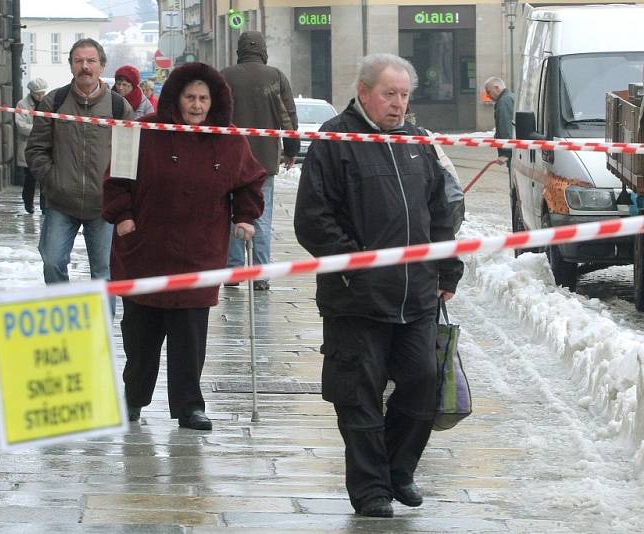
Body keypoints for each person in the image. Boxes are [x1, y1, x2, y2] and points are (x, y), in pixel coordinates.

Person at [293, 53, 464, 518]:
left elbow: (440, 213)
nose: (398, 104)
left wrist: (447, 268)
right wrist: (354, 262)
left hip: (416, 294)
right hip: (356, 297)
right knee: (360, 396)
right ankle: (371, 490)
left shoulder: (418, 142)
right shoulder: (335, 139)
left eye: (405, 95)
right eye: (390, 94)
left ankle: (397, 469)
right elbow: (312, 219)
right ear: (364, 91)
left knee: (422, 384)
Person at [102, 62, 266, 431]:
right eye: (190, 97)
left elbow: (250, 181)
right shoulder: (141, 131)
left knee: (189, 339)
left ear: (214, 102)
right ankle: (133, 399)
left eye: (203, 98)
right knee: (141, 338)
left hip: (199, 252)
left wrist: (244, 216)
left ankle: (189, 406)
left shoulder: (230, 139)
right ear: (176, 99)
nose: (196, 105)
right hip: (144, 252)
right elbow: (114, 179)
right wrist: (122, 216)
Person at [25, 38, 135, 295]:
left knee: (104, 273)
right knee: (52, 263)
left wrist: (119, 195)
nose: (85, 66)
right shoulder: (54, 102)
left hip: (104, 207)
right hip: (61, 203)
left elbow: (129, 158)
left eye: (91, 61)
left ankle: (101, 334)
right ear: (71, 65)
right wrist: (54, 179)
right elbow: (35, 150)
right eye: (79, 61)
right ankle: (66, 326)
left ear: (102, 65)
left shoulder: (119, 107)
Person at [221, 31, 299, 291]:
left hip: (231, 159)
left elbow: (217, 116)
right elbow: (287, 117)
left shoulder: (226, 76)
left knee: (233, 214)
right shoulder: (275, 77)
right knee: (261, 217)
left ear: (239, 50)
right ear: (263, 50)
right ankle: (260, 274)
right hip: (263, 162)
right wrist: (291, 149)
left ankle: (233, 271)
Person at [16, 77, 49, 214]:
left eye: (42, 93)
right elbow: (20, 125)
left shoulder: (48, 103)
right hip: (28, 145)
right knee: (30, 177)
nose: (40, 96)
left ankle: (44, 206)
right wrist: (38, 129)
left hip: (44, 146)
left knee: (44, 177)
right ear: (32, 92)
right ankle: (28, 201)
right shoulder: (22, 104)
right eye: (38, 94)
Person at [484, 77, 515, 168]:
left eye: (488, 92)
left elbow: (505, 127)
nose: (488, 96)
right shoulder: (510, 97)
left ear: (496, 88)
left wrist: (505, 153)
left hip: (511, 151)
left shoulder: (503, 102)